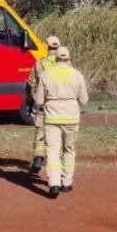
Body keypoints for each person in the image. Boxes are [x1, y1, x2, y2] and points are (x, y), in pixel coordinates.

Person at [34, 47, 88, 199]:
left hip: (52, 118)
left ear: (55, 58)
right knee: (69, 150)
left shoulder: (46, 74)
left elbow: (38, 100)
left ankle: (54, 184)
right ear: (69, 58)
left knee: (52, 151)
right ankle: (66, 183)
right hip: (71, 118)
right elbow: (84, 100)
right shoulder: (77, 74)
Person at [27, 35, 61, 174]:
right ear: (58, 47)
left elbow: (31, 83)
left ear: (47, 47)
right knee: (58, 133)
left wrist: (34, 98)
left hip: (43, 103)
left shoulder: (39, 63)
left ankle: (38, 157)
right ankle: (55, 161)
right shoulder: (66, 64)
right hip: (60, 105)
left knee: (40, 129)